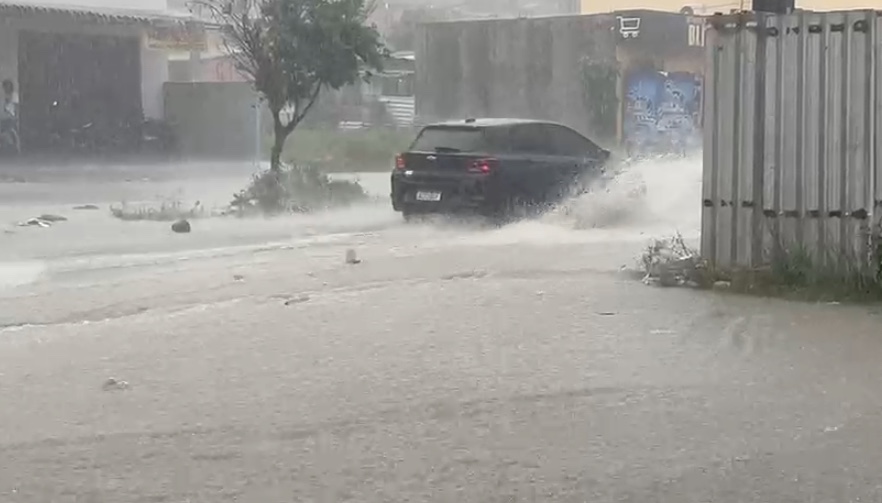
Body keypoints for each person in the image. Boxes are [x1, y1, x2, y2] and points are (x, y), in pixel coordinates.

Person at [0, 78, 20, 154]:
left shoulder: (14, 95)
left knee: (12, 131)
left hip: (11, 117)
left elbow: (16, 107)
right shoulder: (3, 96)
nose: (6, 88)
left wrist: (16, 117)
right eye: (4, 87)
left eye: (7, 86)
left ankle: (16, 147)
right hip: (3, 117)